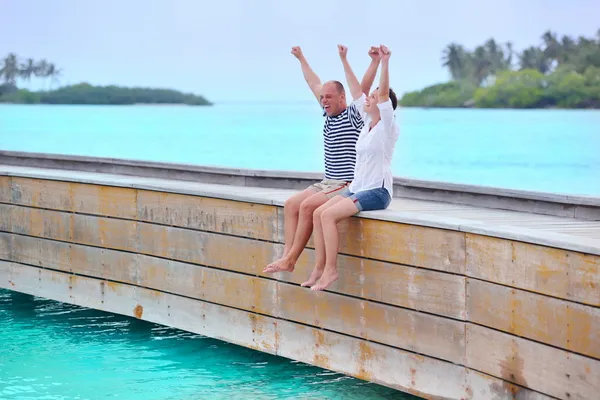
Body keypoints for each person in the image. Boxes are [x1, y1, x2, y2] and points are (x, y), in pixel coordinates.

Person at [263, 45, 382, 279]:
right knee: (291, 205)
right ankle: (287, 255)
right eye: (322, 98)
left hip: (345, 182)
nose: (324, 101)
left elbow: (363, 88)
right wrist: (301, 58)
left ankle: (292, 259)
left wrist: (374, 63)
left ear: (342, 98)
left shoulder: (353, 115)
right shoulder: (327, 114)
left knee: (308, 207)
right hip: (326, 181)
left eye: (329, 97)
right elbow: (312, 82)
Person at [307, 44, 400, 291]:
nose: (367, 99)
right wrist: (343, 59)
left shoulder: (387, 127)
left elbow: (380, 95)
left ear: (382, 106)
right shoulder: (366, 124)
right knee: (318, 213)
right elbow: (356, 89)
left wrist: (385, 62)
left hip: (377, 192)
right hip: (358, 188)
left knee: (327, 215)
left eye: (373, 99)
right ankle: (319, 267)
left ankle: (331, 271)